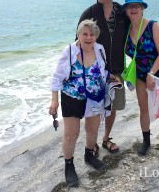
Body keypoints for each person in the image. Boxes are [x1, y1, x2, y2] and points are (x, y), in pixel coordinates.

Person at [49, 19, 120, 186]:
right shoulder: (69, 51)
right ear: (79, 35)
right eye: (85, 34)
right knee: (71, 134)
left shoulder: (99, 49)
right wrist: (54, 101)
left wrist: (111, 77)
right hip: (72, 97)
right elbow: (57, 77)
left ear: (96, 36)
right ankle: (69, 165)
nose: (89, 37)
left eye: (92, 34)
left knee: (92, 129)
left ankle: (89, 156)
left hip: (95, 96)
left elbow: (100, 69)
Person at [122, 0, 159, 156]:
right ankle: (146, 141)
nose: (133, 9)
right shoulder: (126, 31)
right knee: (144, 109)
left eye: (136, 6)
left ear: (142, 9)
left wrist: (151, 74)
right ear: (126, 10)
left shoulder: (152, 26)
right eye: (130, 6)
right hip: (140, 74)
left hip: (158, 73)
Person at [78, 0, 127, 154]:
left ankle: (106, 138)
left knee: (112, 107)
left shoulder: (122, 12)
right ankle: (92, 143)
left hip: (117, 70)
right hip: (94, 73)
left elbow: (135, 31)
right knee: (93, 109)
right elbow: (78, 43)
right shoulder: (89, 13)